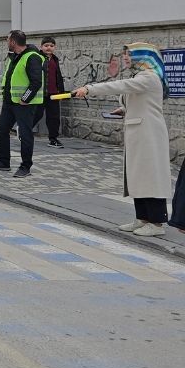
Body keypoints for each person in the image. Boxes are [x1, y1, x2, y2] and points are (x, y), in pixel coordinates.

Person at [74, 43, 173, 237]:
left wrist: (89, 88)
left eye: (130, 55)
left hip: (149, 134)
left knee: (150, 177)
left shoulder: (149, 77)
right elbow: (141, 100)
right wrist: (125, 109)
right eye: (125, 54)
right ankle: (142, 218)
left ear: (143, 57)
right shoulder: (141, 77)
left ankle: (157, 223)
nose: (125, 58)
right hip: (139, 132)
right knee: (138, 176)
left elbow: (118, 86)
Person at [0, 30, 44, 178]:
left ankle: (25, 166)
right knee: (1, 129)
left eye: (7, 39)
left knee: (25, 134)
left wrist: (25, 98)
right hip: (10, 102)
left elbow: (36, 82)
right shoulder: (14, 57)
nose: (6, 42)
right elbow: (9, 78)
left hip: (24, 104)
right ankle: (4, 162)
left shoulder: (32, 57)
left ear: (13, 41)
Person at [40, 36, 67, 148]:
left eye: (51, 46)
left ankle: (53, 139)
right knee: (35, 115)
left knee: (54, 117)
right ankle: (24, 133)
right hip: (40, 93)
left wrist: (61, 92)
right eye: (46, 46)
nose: (49, 48)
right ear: (41, 47)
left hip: (54, 94)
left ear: (54, 47)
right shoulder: (37, 58)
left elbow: (58, 77)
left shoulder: (55, 59)